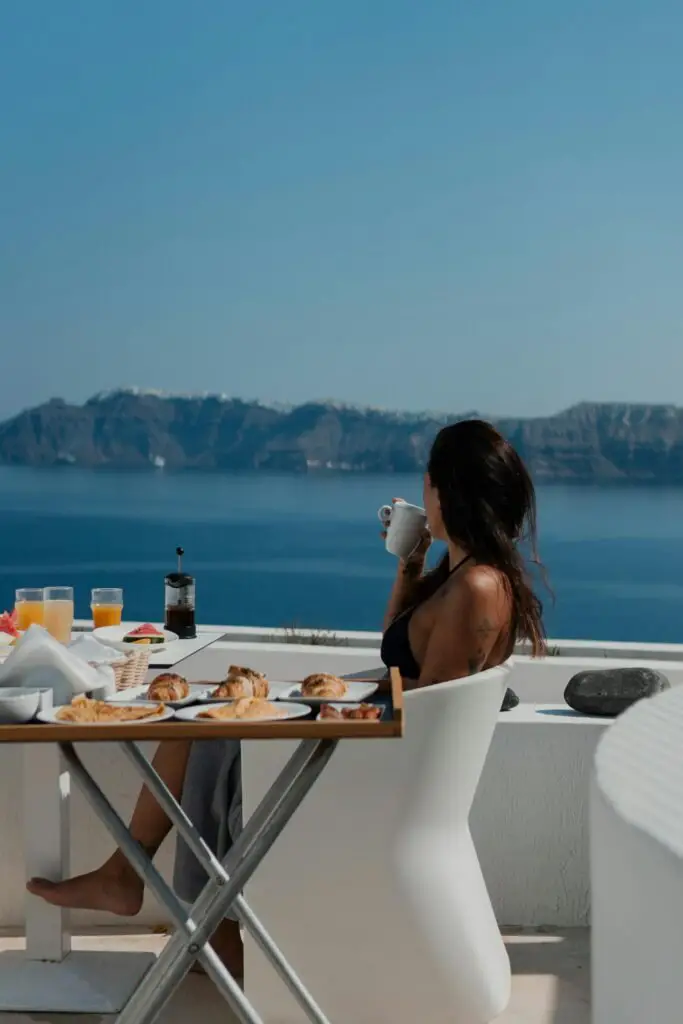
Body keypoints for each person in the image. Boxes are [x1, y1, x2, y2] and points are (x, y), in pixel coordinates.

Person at [27, 419, 546, 976]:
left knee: (203, 728)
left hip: (377, 784)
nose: (422, 493)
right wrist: (410, 563)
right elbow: (402, 656)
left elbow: (425, 716)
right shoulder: (466, 575)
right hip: (381, 761)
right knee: (202, 722)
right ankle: (145, 888)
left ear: (448, 490)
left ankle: (154, 893)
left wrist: (328, 703)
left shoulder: (478, 588)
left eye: (428, 482)